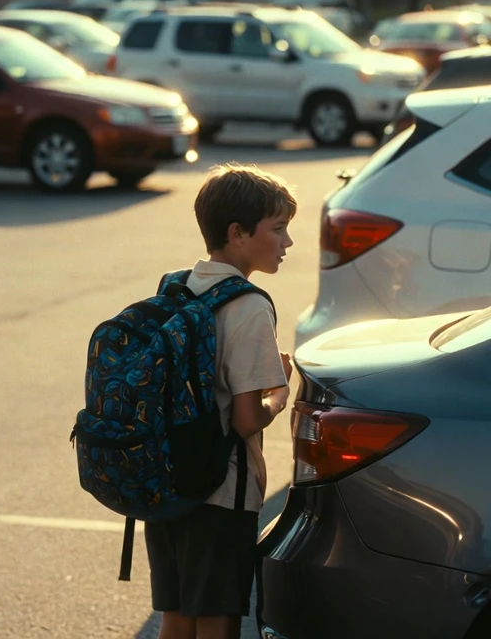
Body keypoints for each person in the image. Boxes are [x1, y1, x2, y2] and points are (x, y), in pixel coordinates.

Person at [146, 163, 297, 639]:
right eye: (278, 229)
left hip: (167, 484)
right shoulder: (250, 305)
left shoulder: (176, 285)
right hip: (221, 491)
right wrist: (280, 392)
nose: (287, 242)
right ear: (237, 233)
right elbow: (247, 419)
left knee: (177, 616)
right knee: (217, 620)